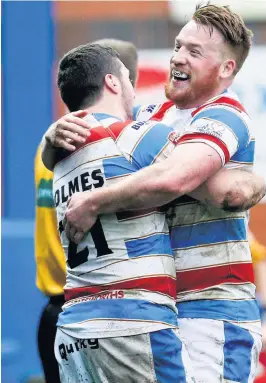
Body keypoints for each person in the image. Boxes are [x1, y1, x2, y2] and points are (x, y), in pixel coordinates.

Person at [45, 4, 265, 382]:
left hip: (212, 312)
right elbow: (100, 151)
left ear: (226, 69)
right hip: (158, 311)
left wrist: (94, 201)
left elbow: (175, 178)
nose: (178, 57)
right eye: (179, 46)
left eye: (194, 52)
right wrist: (53, 141)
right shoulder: (149, 117)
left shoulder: (225, 115)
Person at [48, 42, 207, 383]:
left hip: (74, 331)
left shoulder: (58, 159)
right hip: (133, 323)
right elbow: (215, 184)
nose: (133, 91)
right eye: (128, 80)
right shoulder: (135, 137)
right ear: (113, 82)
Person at [34, 38, 138, 383]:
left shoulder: (49, 146)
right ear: (119, 82)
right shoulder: (129, 146)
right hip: (112, 309)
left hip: (62, 314)